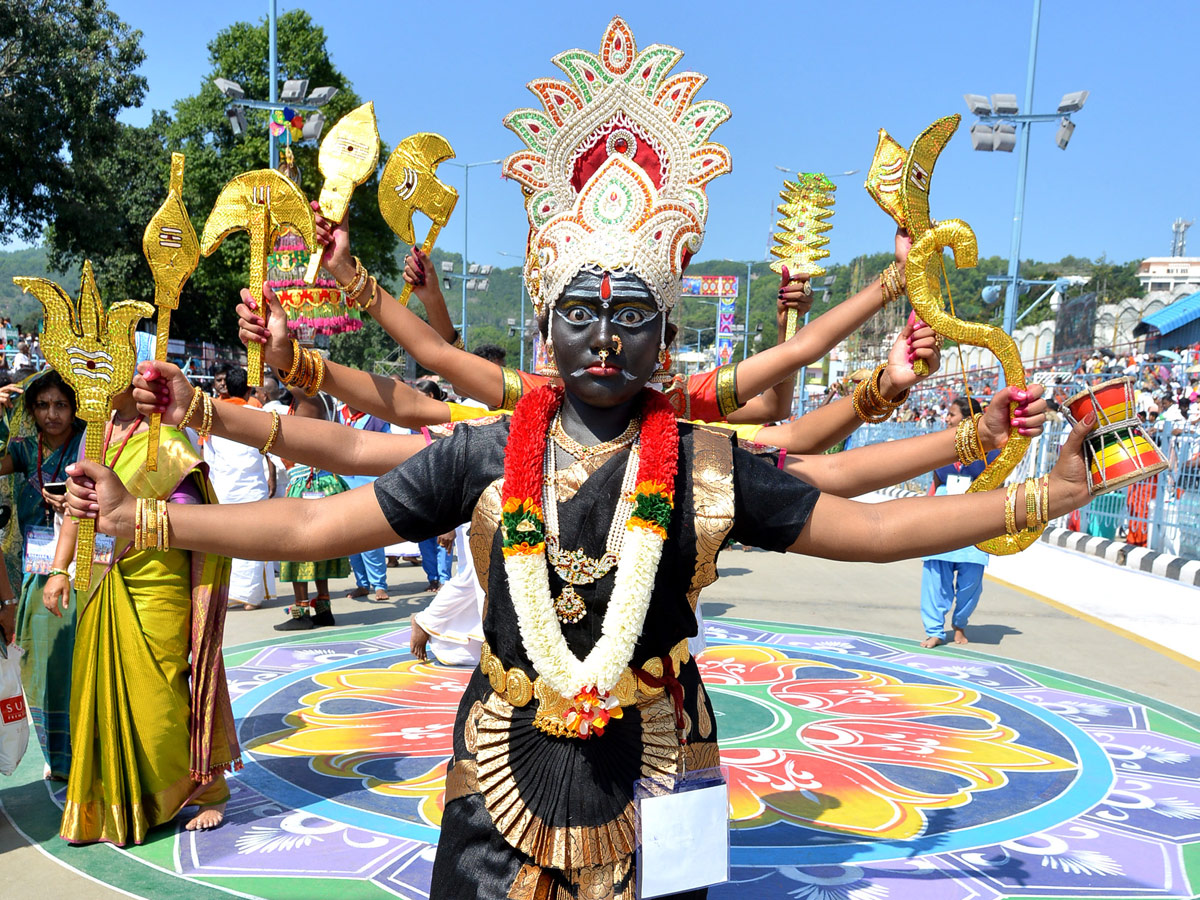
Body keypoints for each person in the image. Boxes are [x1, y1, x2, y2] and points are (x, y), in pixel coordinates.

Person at [82, 19, 1095, 896]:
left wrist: (1045, 492)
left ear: (666, 332)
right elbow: (314, 518)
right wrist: (152, 520)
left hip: (662, 763)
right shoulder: (484, 450)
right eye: (581, 314)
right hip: (499, 765)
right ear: (546, 327)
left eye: (629, 315)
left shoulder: (705, 462)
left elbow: (873, 530)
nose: (604, 337)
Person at [45, 386, 238, 844]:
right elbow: (77, 508)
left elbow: (193, 515)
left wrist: (138, 515)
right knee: (99, 690)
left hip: (156, 579)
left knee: (163, 692)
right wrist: (58, 567)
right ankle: (115, 800)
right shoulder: (95, 436)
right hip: (100, 579)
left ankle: (203, 790)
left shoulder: (168, 442)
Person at [0, 370, 85, 779]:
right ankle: (60, 756)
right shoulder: (22, 449)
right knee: (40, 664)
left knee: (79, 660)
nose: (52, 413)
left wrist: (76, 502)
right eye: (43, 405)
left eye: (61, 404)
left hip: (84, 567)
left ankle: (86, 750)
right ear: (31, 411)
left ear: (74, 408)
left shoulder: (92, 441)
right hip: (33, 569)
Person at [918, 397, 995, 648]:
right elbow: (935, 483)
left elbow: (997, 489)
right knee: (935, 578)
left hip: (974, 522)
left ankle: (960, 623)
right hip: (940, 521)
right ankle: (935, 630)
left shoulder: (991, 451)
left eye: (952, 415)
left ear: (969, 419)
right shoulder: (939, 448)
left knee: (970, 582)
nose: (947, 419)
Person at [203, 368, 275, 610]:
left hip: (224, 487)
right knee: (254, 540)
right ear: (249, 390)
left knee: (228, 541)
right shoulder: (259, 414)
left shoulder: (215, 416)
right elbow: (270, 453)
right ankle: (250, 598)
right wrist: (271, 477)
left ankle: (230, 593)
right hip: (253, 487)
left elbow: (208, 457)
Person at [338, 403, 391, 602]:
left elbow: (386, 447)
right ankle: (362, 583)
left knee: (370, 536)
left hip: (368, 482)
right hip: (343, 481)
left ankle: (379, 584)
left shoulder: (376, 417)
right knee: (350, 538)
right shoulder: (335, 414)